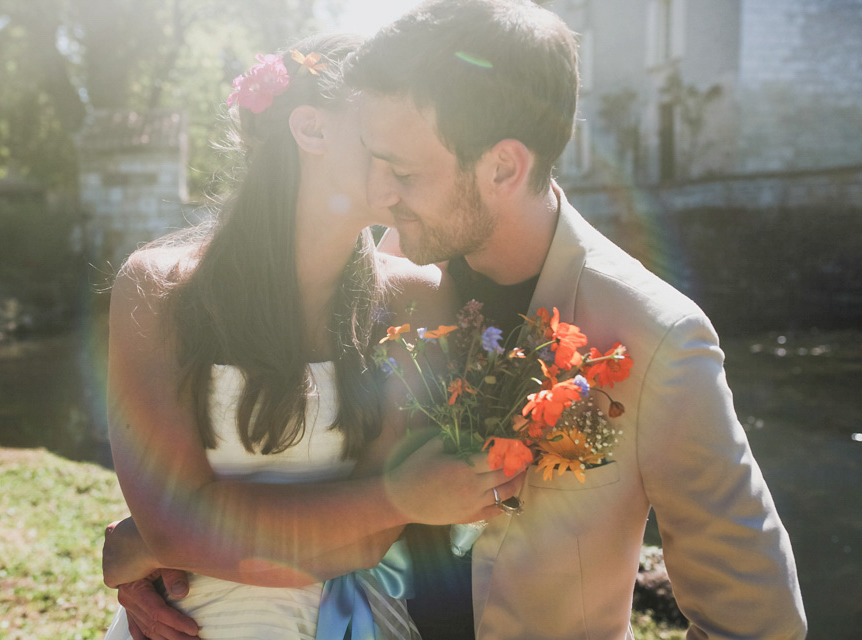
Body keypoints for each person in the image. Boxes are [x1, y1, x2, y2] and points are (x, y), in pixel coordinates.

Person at [342, 1, 807, 638]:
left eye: (403, 171)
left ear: (504, 166)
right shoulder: (382, 274)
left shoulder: (656, 334)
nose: (380, 193)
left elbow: (756, 618)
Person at [101, 33, 524, 640]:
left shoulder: (419, 298)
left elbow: (369, 546)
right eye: (387, 125)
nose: (414, 149)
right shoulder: (158, 289)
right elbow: (174, 525)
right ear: (313, 130)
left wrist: (158, 540)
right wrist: (400, 498)